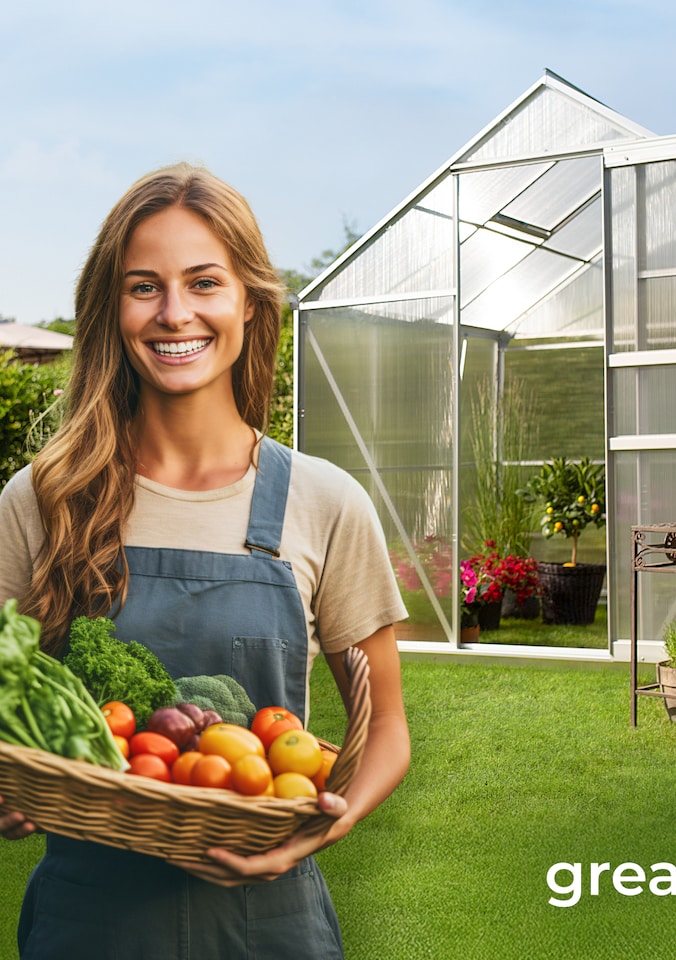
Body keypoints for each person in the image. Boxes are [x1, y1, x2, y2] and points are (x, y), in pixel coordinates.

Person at [0, 163, 410, 959]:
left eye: (204, 282)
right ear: (112, 309)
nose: (175, 312)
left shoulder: (323, 502)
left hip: (270, 925)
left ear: (250, 303)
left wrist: (327, 825)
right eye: (144, 286)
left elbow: (386, 723)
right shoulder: (43, 497)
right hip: (90, 923)